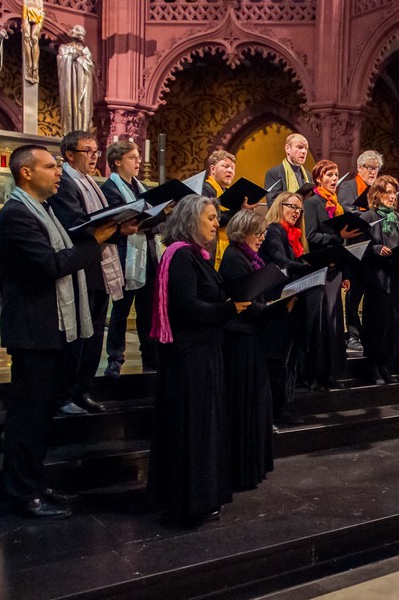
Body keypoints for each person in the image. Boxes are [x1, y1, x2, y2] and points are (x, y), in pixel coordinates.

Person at [0, 145, 116, 518]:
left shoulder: (43, 210)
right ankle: (21, 493)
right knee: (27, 417)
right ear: (26, 172)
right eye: (50, 166)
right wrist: (96, 241)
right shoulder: (16, 215)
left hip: (51, 329)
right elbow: (50, 265)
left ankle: (34, 482)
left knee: (41, 415)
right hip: (33, 331)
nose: (58, 171)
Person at [148, 194, 249, 525]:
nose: (217, 224)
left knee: (204, 427)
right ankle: (190, 499)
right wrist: (228, 309)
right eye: (210, 218)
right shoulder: (180, 256)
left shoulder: (195, 255)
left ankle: (203, 495)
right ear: (191, 220)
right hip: (189, 358)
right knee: (193, 428)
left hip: (204, 352)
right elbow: (188, 306)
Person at [49, 130, 136, 414]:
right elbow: (75, 224)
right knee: (77, 336)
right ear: (69, 155)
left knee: (95, 333)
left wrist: (120, 225)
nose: (94, 157)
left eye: (96, 151)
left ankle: (83, 389)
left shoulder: (90, 183)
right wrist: (117, 228)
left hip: (97, 266)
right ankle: (64, 393)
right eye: (87, 151)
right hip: (79, 268)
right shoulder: (65, 184)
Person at [220, 211, 291, 490]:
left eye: (263, 233)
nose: (262, 238)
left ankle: (253, 464)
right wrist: (278, 308)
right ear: (243, 232)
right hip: (241, 341)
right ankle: (243, 468)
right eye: (258, 233)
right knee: (246, 404)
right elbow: (246, 303)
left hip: (251, 338)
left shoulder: (247, 256)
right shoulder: (235, 258)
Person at [101, 140, 158, 377]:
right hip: (124, 256)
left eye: (138, 157)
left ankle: (151, 359)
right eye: (132, 158)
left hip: (146, 256)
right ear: (117, 161)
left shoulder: (141, 187)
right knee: (120, 311)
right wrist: (147, 219)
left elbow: (152, 220)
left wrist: (157, 216)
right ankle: (115, 359)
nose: (138, 162)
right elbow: (118, 221)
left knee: (147, 312)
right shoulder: (109, 189)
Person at [303, 159, 362, 389]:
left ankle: (331, 373)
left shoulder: (337, 205)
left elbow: (342, 245)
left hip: (336, 269)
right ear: (319, 178)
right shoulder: (312, 203)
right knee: (320, 323)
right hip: (319, 267)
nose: (334, 178)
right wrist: (339, 235)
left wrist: (346, 272)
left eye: (336, 174)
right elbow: (311, 236)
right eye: (329, 175)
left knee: (334, 322)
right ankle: (315, 375)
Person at [260, 192, 313, 425]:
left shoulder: (294, 235)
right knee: (278, 357)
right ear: (279, 206)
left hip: (291, 299)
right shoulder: (274, 230)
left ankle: (283, 404)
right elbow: (280, 262)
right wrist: (309, 268)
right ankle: (275, 408)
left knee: (289, 356)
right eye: (291, 206)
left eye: (299, 209)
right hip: (278, 301)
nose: (296, 212)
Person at [360, 175, 399, 385]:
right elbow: (359, 247)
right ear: (377, 195)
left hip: (394, 277)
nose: (393, 196)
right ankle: (373, 367)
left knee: (392, 323)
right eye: (388, 192)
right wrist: (376, 249)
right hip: (376, 279)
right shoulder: (368, 217)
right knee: (376, 324)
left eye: (394, 192)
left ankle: (386, 366)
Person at [339, 150, 384, 352]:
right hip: (354, 246)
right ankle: (352, 333)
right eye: (370, 167)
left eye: (376, 168)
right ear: (359, 168)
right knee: (353, 294)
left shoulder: (377, 189)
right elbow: (345, 210)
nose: (373, 172)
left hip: (372, 247)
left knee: (369, 293)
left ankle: (365, 333)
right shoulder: (348, 186)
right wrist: (365, 214)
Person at [201, 150, 239, 266]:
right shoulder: (205, 189)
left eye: (232, 168)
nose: (230, 170)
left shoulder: (229, 192)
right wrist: (239, 210)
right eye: (225, 166)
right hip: (210, 247)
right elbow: (216, 219)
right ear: (213, 169)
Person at [57, 25, 94, 133]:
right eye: (74, 29)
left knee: (84, 106)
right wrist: (71, 57)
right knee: (69, 105)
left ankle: (83, 130)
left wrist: (78, 57)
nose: (73, 31)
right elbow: (61, 60)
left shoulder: (86, 51)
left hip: (82, 83)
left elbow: (90, 66)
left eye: (77, 30)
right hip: (69, 83)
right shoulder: (64, 47)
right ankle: (69, 131)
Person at [264, 133, 311, 201]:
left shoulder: (308, 176)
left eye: (306, 148)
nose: (304, 151)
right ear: (287, 148)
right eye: (299, 147)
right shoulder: (274, 173)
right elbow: (273, 203)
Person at [21, 0, 44, 83]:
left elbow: (42, 13)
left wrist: (39, 24)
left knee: (34, 38)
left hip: (37, 18)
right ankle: (29, 64)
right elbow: (24, 14)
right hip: (27, 17)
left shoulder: (40, 1)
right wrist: (25, 23)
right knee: (26, 37)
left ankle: (35, 66)